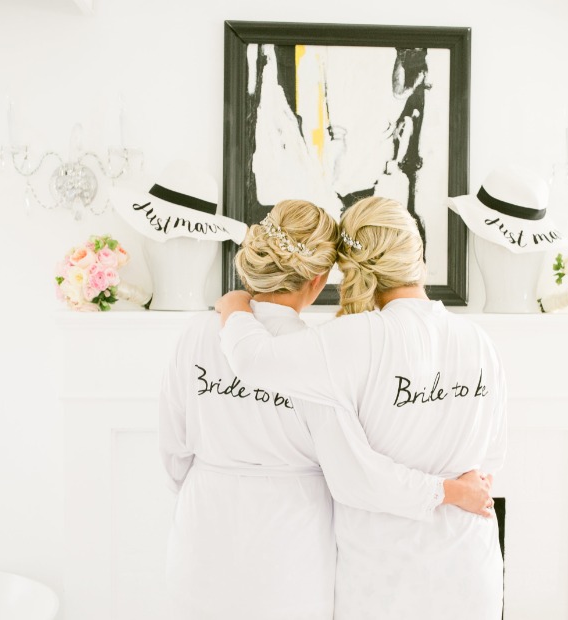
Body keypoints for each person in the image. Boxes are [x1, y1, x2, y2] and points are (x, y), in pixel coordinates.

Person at [159, 199, 494, 620]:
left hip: (204, 522)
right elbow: (485, 458)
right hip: (301, 537)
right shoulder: (476, 343)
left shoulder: (205, 335)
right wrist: (452, 490)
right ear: (318, 279)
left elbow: (173, 451)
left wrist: (235, 305)